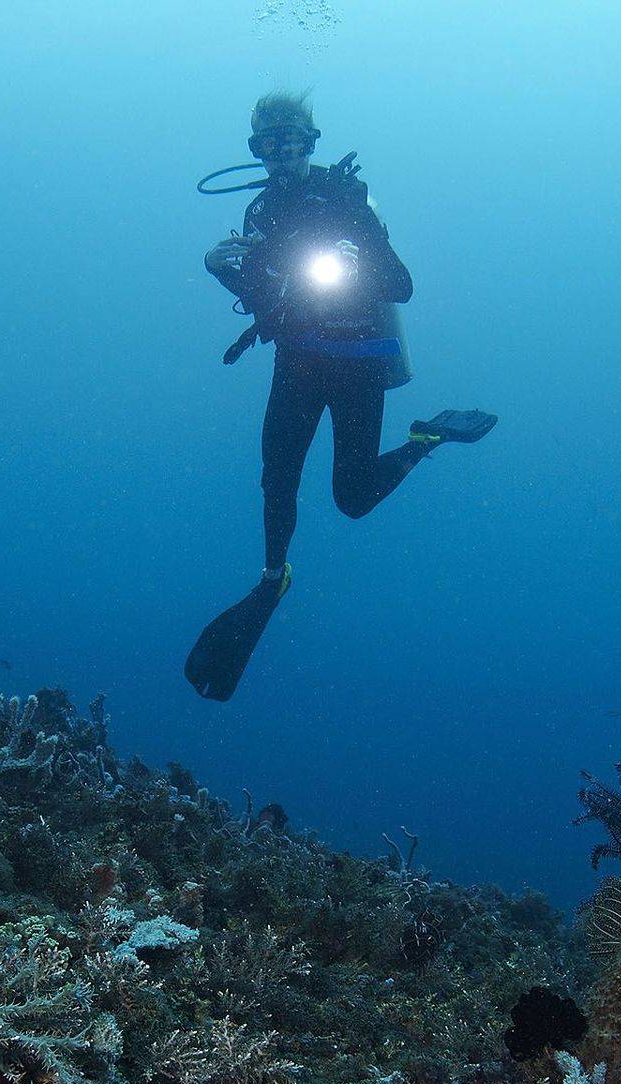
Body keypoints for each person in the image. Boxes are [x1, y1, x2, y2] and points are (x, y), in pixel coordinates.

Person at [186, 91, 495, 699]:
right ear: (256, 150)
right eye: (267, 143)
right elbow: (260, 296)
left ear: (311, 141)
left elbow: (401, 286)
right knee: (276, 479)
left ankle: (425, 438)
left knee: (351, 499)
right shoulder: (259, 213)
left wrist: (359, 264)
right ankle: (273, 575)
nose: (280, 154)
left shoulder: (348, 200)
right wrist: (219, 266)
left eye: (291, 140)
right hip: (297, 363)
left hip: (357, 364)